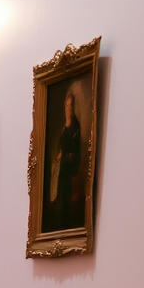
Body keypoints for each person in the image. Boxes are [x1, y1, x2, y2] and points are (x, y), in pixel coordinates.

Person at [49, 88, 83, 230]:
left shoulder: (75, 128)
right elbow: (60, 148)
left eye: (70, 105)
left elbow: (76, 154)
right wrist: (58, 156)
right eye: (66, 106)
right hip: (59, 174)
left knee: (65, 207)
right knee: (58, 207)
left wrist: (64, 157)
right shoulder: (64, 128)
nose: (68, 109)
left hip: (67, 175)